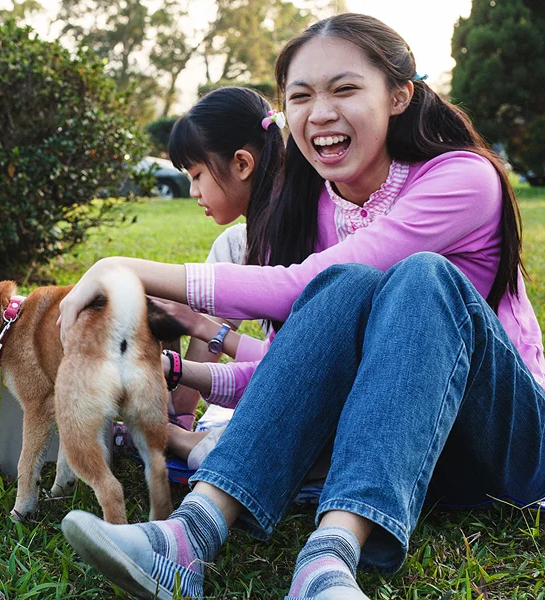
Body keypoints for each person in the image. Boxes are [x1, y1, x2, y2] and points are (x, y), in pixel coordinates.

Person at [57, 13, 545, 600]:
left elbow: (295, 285)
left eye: (344, 89)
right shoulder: (317, 208)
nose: (320, 112)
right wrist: (180, 371)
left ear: (398, 94)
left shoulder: (462, 180)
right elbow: (299, 370)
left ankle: (330, 557)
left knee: (420, 277)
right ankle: (188, 539)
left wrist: (127, 269)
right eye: (301, 96)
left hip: (504, 446)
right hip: (406, 455)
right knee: (345, 285)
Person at [113, 86, 284, 471]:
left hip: (307, 395)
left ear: (242, 164)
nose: (193, 192)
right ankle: (178, 422)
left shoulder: (298, 240)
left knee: (241, 447)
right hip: (269, 378)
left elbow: (288, 370)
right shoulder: (243, 240)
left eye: (197, 175)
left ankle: (172, 436)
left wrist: (202, 329)